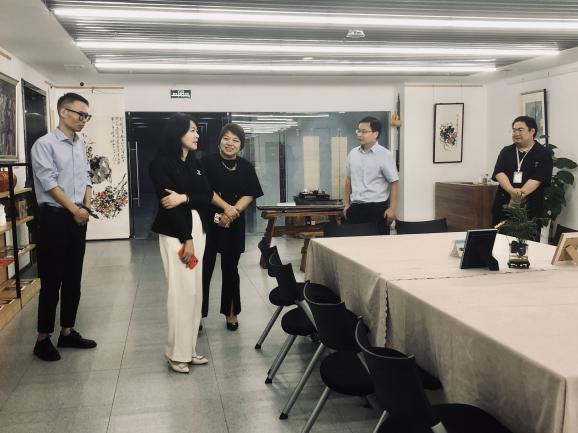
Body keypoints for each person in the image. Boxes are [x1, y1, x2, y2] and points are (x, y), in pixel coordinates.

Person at [151, 114, 237, 373]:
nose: (197, 135)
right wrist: (186, 239)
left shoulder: (193, 163)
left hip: (199, 230)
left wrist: (185, 197)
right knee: (182, 292)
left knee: (195, 292)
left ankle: (188, 349)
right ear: (177, 133)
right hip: (178, 234)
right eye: (192, 130)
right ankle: (175, 353)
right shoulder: (160, 164)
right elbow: (169, 206)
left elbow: (206, 195)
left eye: (197, 130)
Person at [31, 92, 96, 362]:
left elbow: (87, 177)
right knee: (52, 280)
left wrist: (86, 207)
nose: (83, 119)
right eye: (80, 114)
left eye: (87, 116)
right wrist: (74, 209)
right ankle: (42, 338)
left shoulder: (80, 144)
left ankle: (67, 331)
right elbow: (49, 183)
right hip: (55, 218)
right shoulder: (44, 145)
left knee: (73, 277)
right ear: (63, 112)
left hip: (78, 217)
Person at [202, 123, 263, 331]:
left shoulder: (246, 167)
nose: (230, 143)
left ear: (241, 145)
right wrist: (226, 208)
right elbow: (205, 190)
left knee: (231, 269)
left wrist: (232, 212)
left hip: (234, 223)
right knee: (204, 269)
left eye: (235, 140)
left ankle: (231, 312)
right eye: (226, 138)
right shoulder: (206, 163)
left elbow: (250, 193)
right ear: (219, 141)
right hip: (208, 222)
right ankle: (198, 314)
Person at [491, 116, 553, 232]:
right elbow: (499, 173)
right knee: (499, 238)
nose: (516, 133)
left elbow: (537, 179)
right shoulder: (506, 151)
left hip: (530, 207)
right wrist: (512, 191)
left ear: (532, 131)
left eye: (520, 130)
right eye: (514, 130)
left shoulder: (543, 153)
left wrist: (517, 197)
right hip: (504, 204)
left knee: (527, 240)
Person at [343, 116, 399, 234]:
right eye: (358, 131)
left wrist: (392, 208)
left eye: (364, 131)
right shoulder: (353, 153)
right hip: (355, 208)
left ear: (375, 134)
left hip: (377, 209)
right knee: (352, 243)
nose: (360, 134)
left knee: (377, 244)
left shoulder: (385, 155)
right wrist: (346, 204)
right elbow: (348, 179)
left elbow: (394, 182)